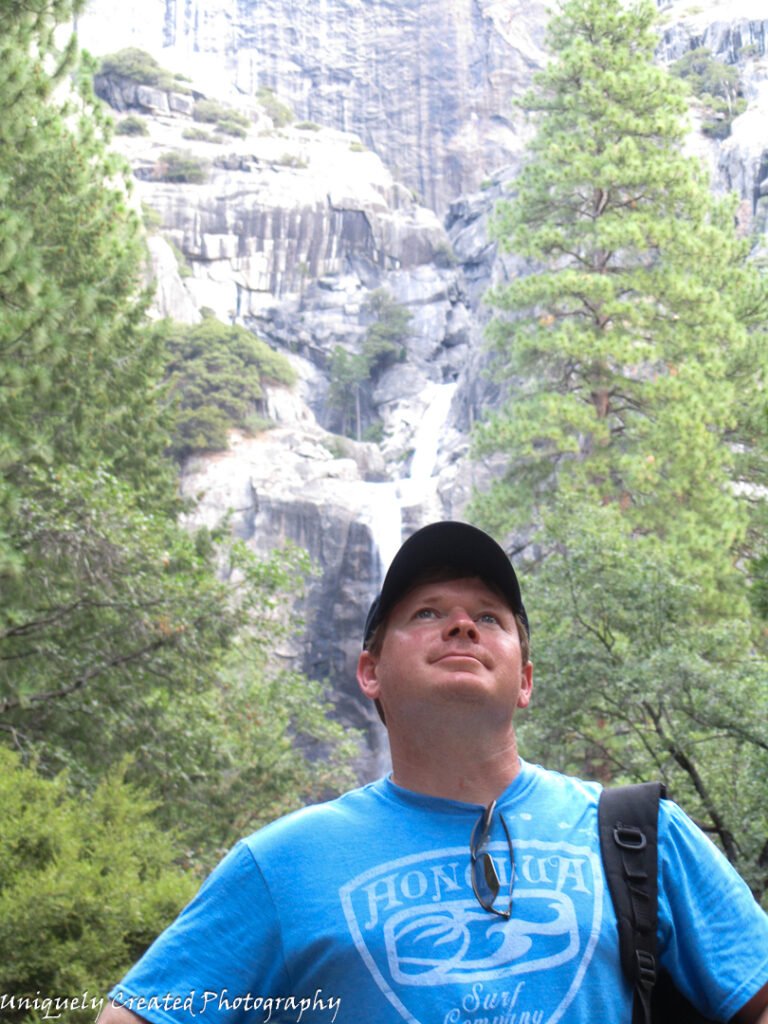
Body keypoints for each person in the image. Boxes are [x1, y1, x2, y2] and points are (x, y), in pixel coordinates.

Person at [99, 521, 768, 1024]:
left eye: (488, 618)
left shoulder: (637, 835)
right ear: (369, 671)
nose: (460, 627)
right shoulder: (281, 865)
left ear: (526, 680)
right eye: (427, 613)